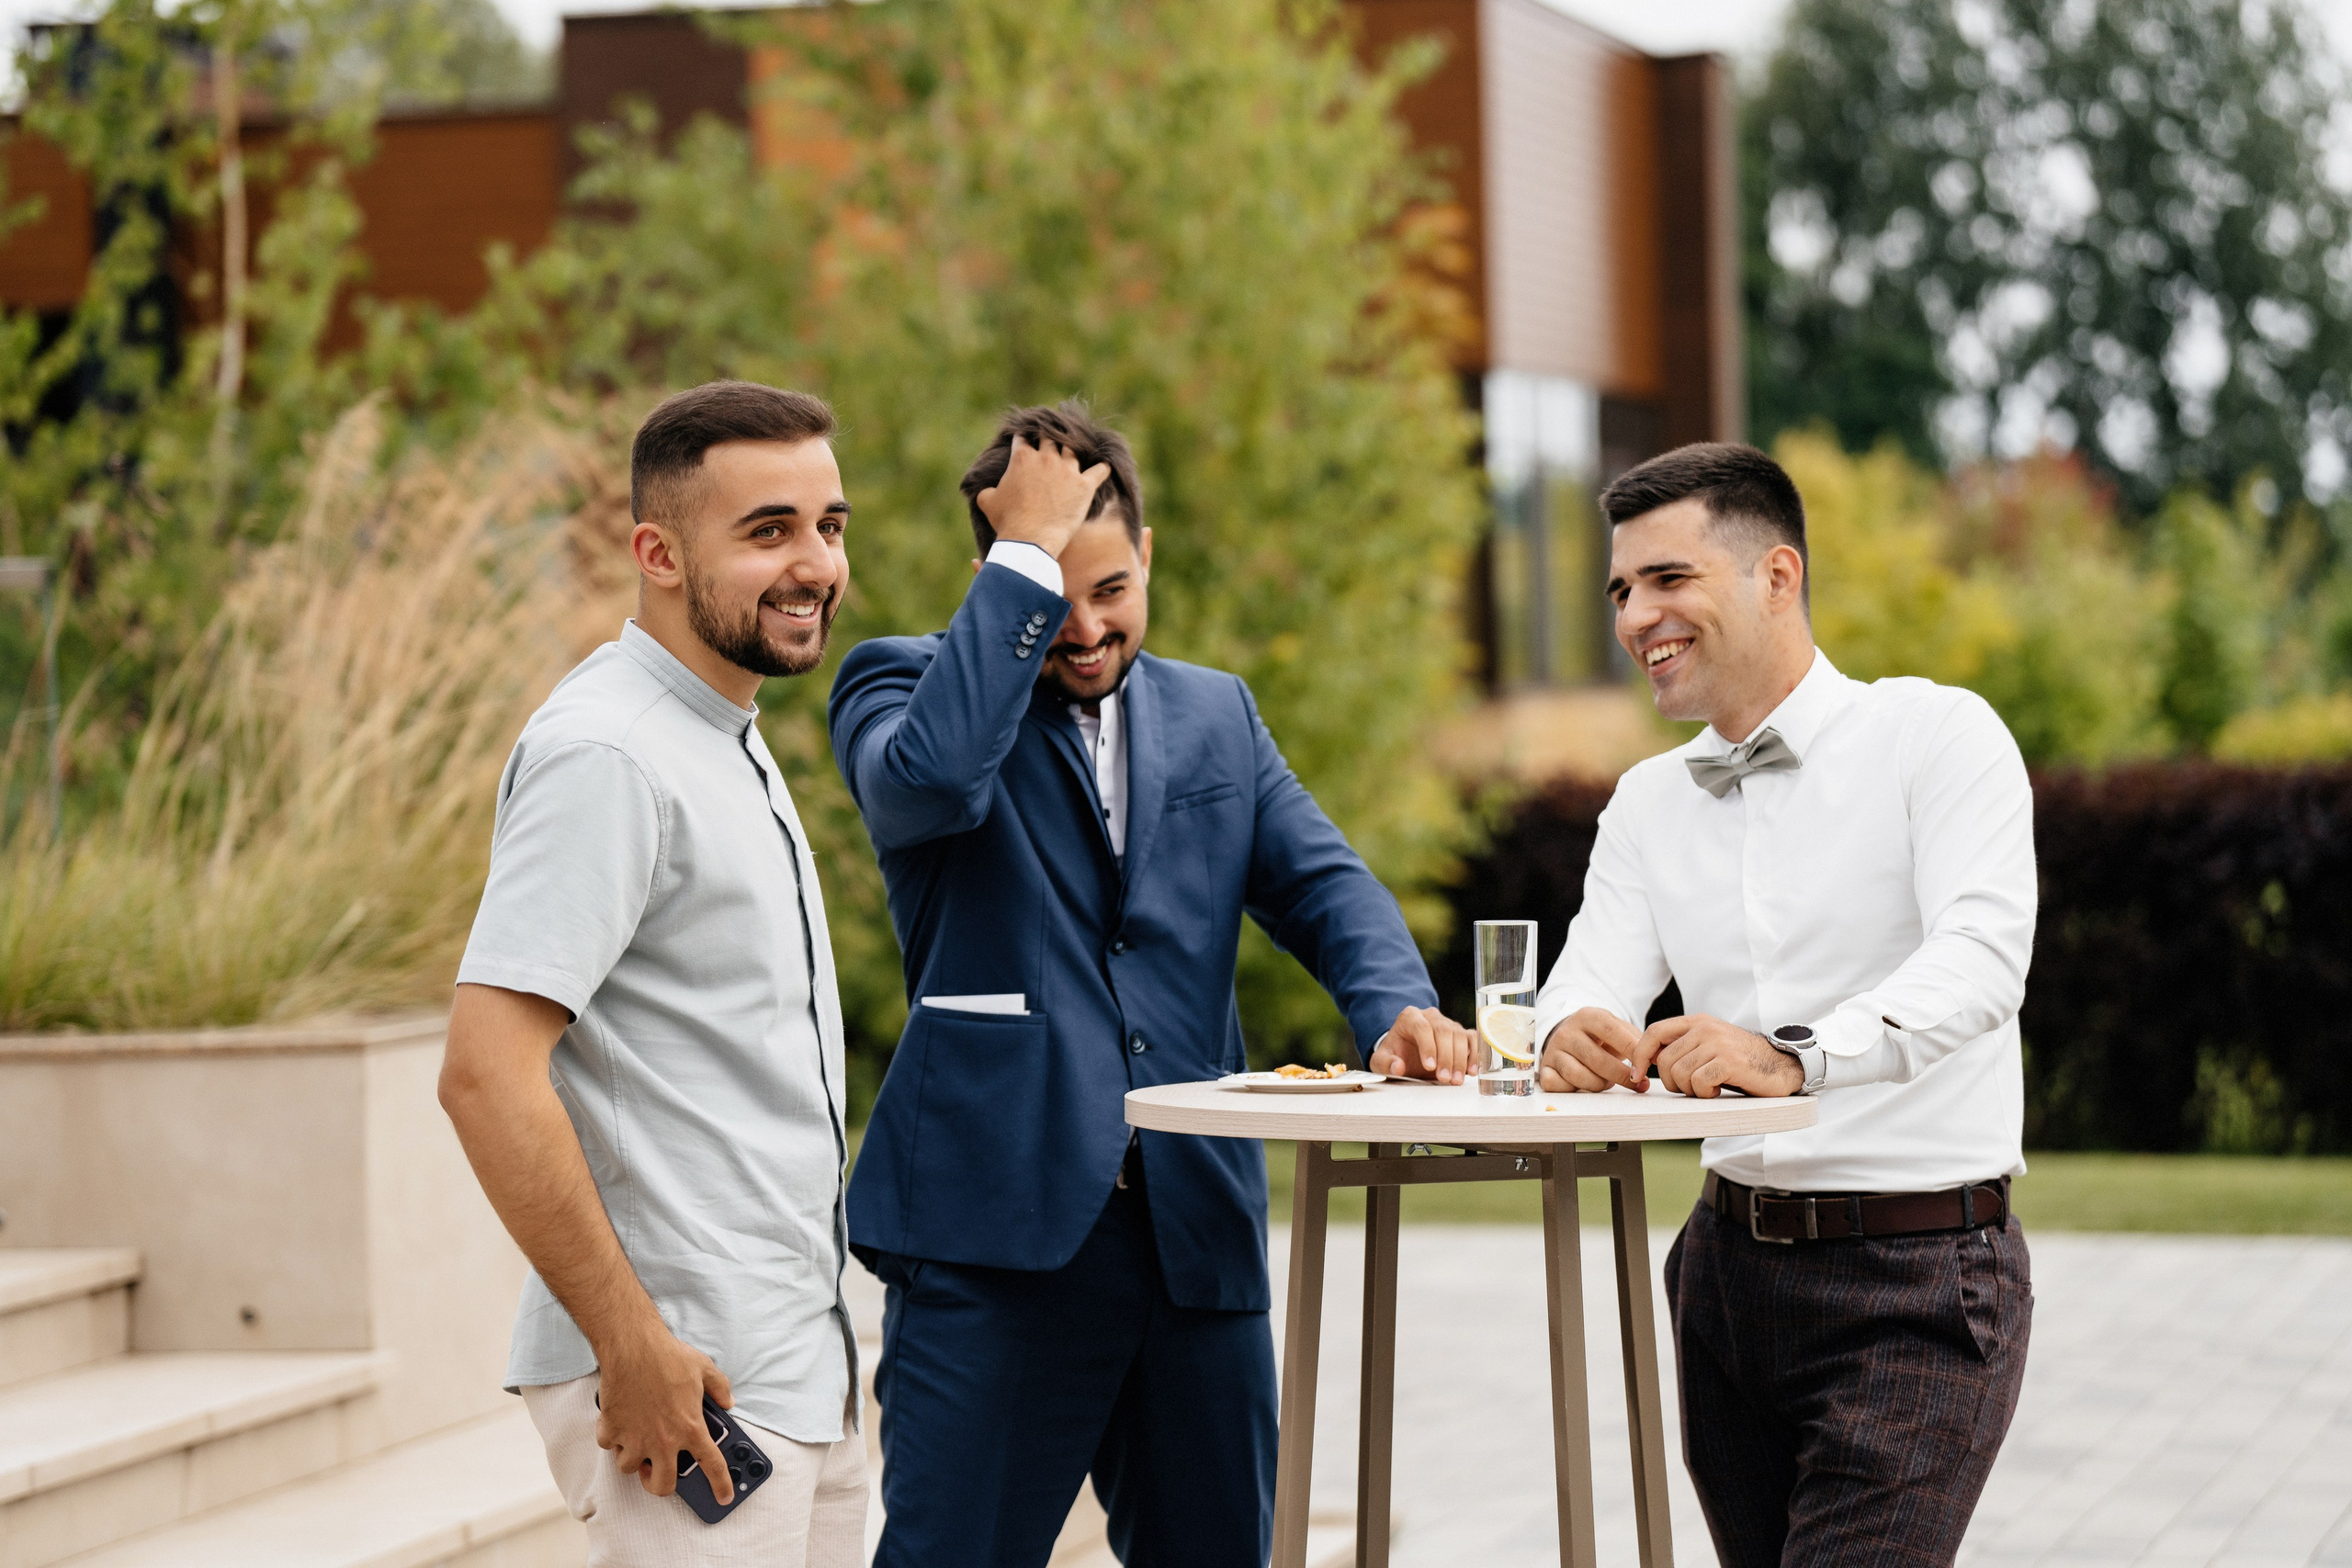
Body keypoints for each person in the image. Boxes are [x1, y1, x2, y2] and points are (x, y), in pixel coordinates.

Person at [829, 400, 1473, 1567]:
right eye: (1052, 595)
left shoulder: (1217, 712)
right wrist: (1024, 565)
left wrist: (1397, 1009)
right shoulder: (903, 689)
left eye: (1112, 590)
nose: (1084, 630)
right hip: (993, 1245)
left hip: (1193, 1241)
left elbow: (1324, 886)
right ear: (994, 578)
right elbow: (928, 786)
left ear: (1149, 556)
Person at [1528, 442, 2034, 1566]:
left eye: (1667, 578)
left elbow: (1981, 960)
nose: (1634, 617)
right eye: (1619, 590)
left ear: (1777, 575)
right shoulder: (1646, 801)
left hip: (1918, 1278)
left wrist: (1791, 1055)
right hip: (1722, 1278)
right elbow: (1586, 982)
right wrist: (1569, 1035)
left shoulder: (1938, 737)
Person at [438, 380, 866, 1566]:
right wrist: (630, 1344)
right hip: (690, 1379)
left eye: (829, 526)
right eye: (768, 530)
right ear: (658, 554)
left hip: (797, 1367)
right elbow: (485, 1074)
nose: (815, 564)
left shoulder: (720, 731)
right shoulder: (610, 753)